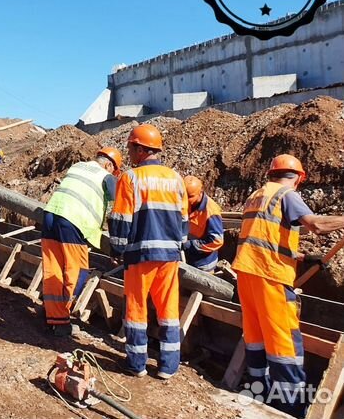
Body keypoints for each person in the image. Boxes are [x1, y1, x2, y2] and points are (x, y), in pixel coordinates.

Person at [232, 154, 344, 418]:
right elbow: (315, 225)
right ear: (299, 179)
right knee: (284, 345)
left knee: (256, 337)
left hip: (247, 274)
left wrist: (299, 257)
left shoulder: (257, 195)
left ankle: (257, 393)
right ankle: (291, 406)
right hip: (270, 276)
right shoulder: (287, 195)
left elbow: (265, 237)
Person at [109, 124, 188, 380]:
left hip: (140, 255)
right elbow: (183, 221)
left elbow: (121, 219)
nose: (129, 153)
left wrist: (117, 249)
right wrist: (178, 245)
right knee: (168, 311)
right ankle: (168, 367)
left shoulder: (130, 178)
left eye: (131, 148)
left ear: (141, 149)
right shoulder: (176, 178)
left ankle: (137, 364)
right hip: (169, 257)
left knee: (136, 310)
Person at [41, 146, 122, 336]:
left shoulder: (77, 166)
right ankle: (61, 320)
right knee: (77, 272)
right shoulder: (106, 176)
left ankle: (51, 315)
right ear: (109, 165)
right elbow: (118, 201)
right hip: (73, 221)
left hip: (51, 216)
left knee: (54, 269)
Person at [182, 175, 224, 273]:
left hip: (203, 265)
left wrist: (190, 245)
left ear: (200, 193)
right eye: (184, 196)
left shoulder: (210, 211)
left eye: (190, 197)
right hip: (187, 260)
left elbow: (217, 240)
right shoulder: (185, 204)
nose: (187, 200)